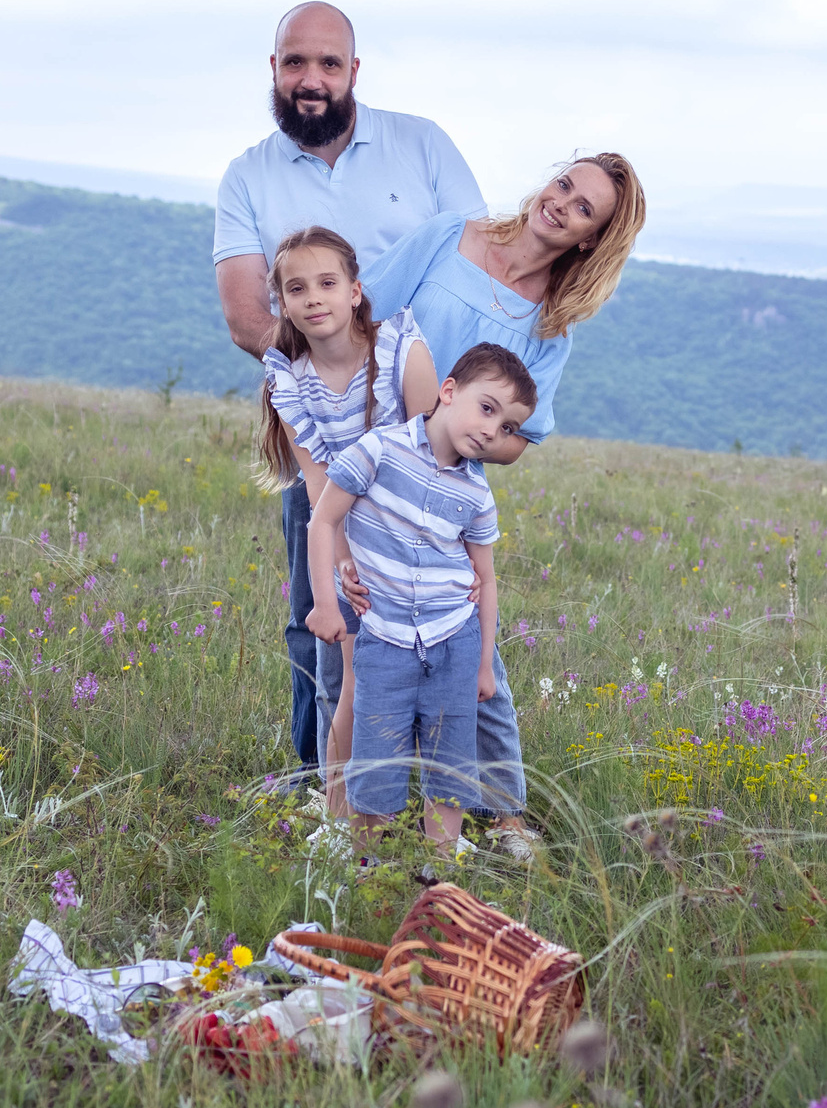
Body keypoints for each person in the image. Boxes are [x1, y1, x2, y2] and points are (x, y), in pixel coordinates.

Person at [213, 1, 485, 781]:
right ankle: (322, 782)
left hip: (427, 437)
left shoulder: (422, 146)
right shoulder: (248, 175)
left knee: (444, 615)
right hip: (321, 440)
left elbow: (473, 273)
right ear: (273, 69)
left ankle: (455, 793)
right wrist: (334, 374)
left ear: (355, 72)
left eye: (329, 64)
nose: (311, 79)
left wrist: (447, 415)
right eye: (295, 62)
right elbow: (243, 314)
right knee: (321, 614)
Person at [348, 154, 647, 852]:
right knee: (356, 632)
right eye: (565, 184)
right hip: (371, 463)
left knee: (470, 648)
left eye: (582, 210)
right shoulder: (453, 236)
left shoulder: (550, 327)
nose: (561, 203)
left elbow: (520, 440)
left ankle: (503, 812)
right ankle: (350, 801)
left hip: (452, 494)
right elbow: (364, 317)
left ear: (589, 240)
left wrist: (469, 431)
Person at [304, 344, 536, 859]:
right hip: (383, 639)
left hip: (453, 641)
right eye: (487, 408)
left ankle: (438, 873)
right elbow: (322, 520)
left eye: (506, 427)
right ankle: (369, 872)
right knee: (376, 761)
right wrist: (325, 601)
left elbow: (486, 578)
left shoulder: (476, 493)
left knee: (449, 763)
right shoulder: (379, 450)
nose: (491, 430)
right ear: (448, 391)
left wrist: (483, 666)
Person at [254, 226, 438, 821]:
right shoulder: (291, 380)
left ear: (356, 291)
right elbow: (316, 486)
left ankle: (435, 814)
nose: (314, 298)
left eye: (328, 283)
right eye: (297, 288)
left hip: (417, 535)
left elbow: (437, 459)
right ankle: (341, 813)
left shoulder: (400, 350)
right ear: (281, 303)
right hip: (345, 538)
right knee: (344, 680)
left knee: (429, 677)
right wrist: (342, 565)